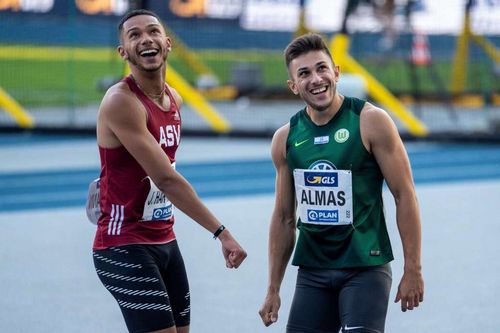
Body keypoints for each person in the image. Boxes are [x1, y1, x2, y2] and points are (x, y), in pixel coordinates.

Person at [91, 9, 247, 333]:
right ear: (123, 52)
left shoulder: (173, 98)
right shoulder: (121, 102)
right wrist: (222, 232)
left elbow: (161, 175)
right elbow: (165, 178)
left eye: (152, 32)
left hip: (164, 238)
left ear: (167, 43)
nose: (145, 39)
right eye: (134, 35)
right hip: (122, 244)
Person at [258, 32, 424, 333]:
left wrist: (413, 267)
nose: (316, 79)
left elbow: (404, 194)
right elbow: (283, 218)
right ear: (293, 86)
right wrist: (273, 288)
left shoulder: (370, 121)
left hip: (365, 268)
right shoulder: (285, 139)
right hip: (313, 272)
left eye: (322, 68)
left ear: (336, 72)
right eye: (304, 73)